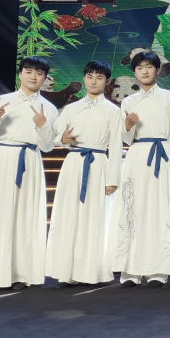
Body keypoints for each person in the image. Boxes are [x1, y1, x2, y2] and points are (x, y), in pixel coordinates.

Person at [0, 56, 57, 289]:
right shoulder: (1, 101)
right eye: (29, 71)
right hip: (0, 159)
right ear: (20, 73)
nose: (33, 76)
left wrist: (42, 125)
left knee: (24, 217)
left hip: (29, 161)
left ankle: (21, 274)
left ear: (45, 78)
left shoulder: (49, 108)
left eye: (39, 73)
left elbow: (48, 147)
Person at [44, 61, 122, 286]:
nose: (93, 81)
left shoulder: (113, 111)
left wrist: (113, 180)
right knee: (69, 215)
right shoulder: (71, 108)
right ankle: (67, 272)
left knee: (95, 217)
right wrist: (63, 139)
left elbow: (116, 146)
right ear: (84, 78)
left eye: (99, 77)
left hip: (98, 163)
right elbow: (56, 137)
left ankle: (92, 272)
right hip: (73, 163)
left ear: (107, 81)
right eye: (90, 76)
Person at [114, 49, 170, 287]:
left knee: (160, 209)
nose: (144, 71)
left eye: (149, 67)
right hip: (137, 156)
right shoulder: (128, 101)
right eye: (139, 67)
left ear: (157, 70)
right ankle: (130, 271)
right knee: (134, 208)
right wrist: (128, 127)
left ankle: (158, 271)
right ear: (134, 72)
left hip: (163, 155)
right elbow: (125, 138)